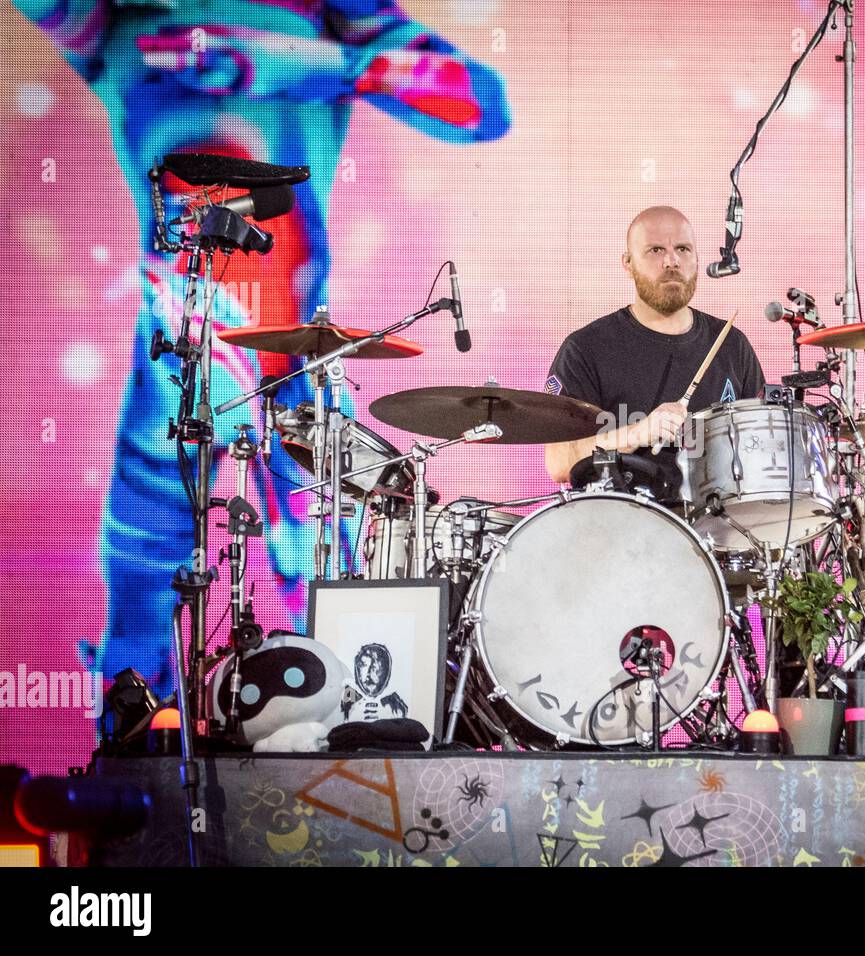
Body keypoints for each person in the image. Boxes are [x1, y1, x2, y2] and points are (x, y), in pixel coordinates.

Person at [16, 0, 511, 696]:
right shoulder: (112, 18)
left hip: (286, 382)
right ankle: (136, 765)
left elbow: (484, 105)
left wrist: (317, 67)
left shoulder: (329, 10)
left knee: (338, 628)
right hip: (175, 384)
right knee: (137, 632)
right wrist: (324, 69)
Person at [544, 206, 766, 486]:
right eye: (656, 250)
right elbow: (559, 462)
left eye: (683, 249)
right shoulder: (586, 349)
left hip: (715, 523)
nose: (671, 261)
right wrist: (639, 432)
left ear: (697, 259)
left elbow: (761, 449)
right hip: (621, 521)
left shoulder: (731, 344)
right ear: (627, 263)